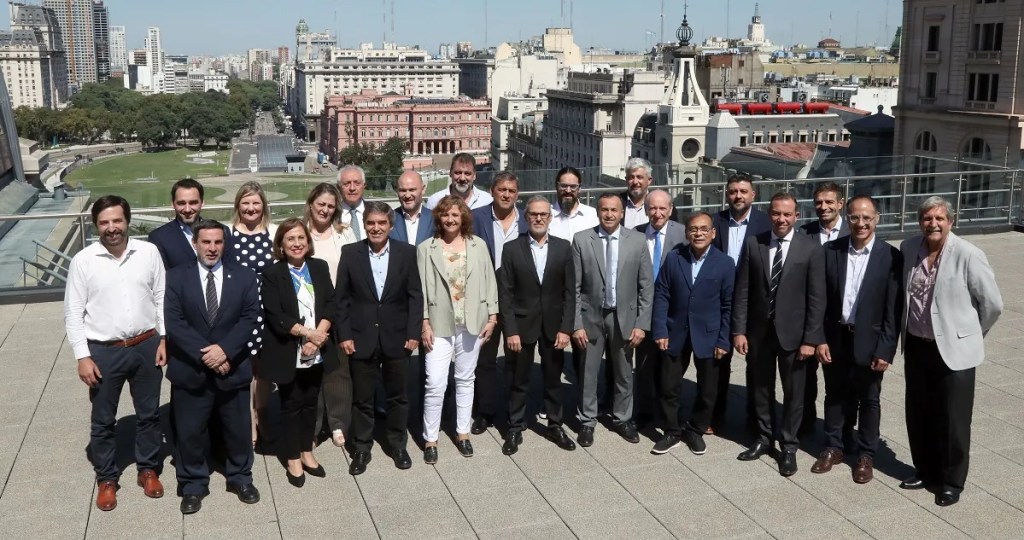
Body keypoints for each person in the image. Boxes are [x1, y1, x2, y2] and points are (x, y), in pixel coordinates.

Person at [64, 196, 167, 511]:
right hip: (104, 351)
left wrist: (165, 338)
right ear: (96, 225)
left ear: (127, 221)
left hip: (147, 344)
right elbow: (73, 312)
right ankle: (107, 478)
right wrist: (82, 356)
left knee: (149, 414)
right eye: (105, 222)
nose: (112, 228)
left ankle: (147, 469)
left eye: (117, 221)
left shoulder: (148, 252)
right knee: (103, 419)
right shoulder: (83, 261)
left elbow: (161, 296)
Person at [899, 196, 1002, 507]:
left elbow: (992, 305)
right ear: (920, 222)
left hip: (955, 350)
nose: (933, 224)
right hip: (917, 345)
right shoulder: (908, 248)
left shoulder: (968, 254)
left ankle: (951, 481)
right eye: (927, 218)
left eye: (939, 218)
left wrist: (970, 335)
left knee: (954, 419)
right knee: (919, 412)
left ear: (950, 222)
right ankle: (925, 470)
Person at [164, 220, 262, 514]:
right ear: (195, 244)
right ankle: (193, 484)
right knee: (190, 432)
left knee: (237, 430)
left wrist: (225, 351)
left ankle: (240, 477)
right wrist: (207, 355)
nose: (212, 248)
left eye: (218, 242)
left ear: (225, 244)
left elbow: (249, 317)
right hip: (191, 369)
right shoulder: (176, 276)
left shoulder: (243, 276)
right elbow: (174, 322)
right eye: (206, 242)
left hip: (232, 367)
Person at [732, 192, 825, 477]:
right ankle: (764, 437)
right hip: (759, 333)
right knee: (760, 387)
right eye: (776, 213)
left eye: (787, 214)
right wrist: (739, 330)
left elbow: (817, 298)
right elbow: (743, 290)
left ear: (796, 216)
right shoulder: (754, 243)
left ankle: (789, 446)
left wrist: (811, 339)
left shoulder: (810, 248)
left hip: (794, 336)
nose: (781, 219)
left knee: (794, 392)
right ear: (769, 214)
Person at [812, 195, 903, 484]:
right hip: (836, 337)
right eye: (854, 217)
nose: (860, 223)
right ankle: (834, 446)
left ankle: (866, 454)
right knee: (834, 394)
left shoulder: (891, 256)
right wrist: (819, 338)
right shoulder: (831, 250)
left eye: (867, 218)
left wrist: (886, 349)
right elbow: (820, 300)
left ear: (877, 219)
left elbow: (893, 309)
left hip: (871, 341)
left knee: (869, 399)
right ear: (847, 218)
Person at [336, 201, 423, 475]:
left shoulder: (406, 252)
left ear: (390, 225)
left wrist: (413, 332)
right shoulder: (351, 253)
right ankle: (362, 447)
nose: (376, 228)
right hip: (361, 337)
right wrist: (345, 334)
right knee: (362, 398)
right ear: (365, 224)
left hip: (397, 337)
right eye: (371, 223)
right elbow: (342, 299)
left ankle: (397, 444)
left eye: (381, 223)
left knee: (398, 396)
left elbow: (415, 295)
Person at [418, 195, 498, 463]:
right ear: (438, 218)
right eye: (445, 214)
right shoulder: (426, 248)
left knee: (465, 379)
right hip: (438, 324)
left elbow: (489, 281)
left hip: (472, 322)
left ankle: (463, 433)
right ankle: (430, 438)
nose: (450, 219)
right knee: (435, 383)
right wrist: (424, 323)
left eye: (455, 214)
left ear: (463, 217)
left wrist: (493, 317)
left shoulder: (478, 245)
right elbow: (421, 289)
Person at [260, 219, 337, 487]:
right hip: (289, 349)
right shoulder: (272, 273)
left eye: (301, 238)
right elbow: (275, 315)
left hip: (317, 348)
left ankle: (307, 451)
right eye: (290, 239)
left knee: (310, 402)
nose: (297, 243)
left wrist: (318, 337)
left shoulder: (319, 267)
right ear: (281, 244)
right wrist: (307, 334)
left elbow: (331, 303)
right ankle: (292, 456)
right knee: (291, 405)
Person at [572, 193, 653, 447]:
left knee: (624, 372)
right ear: (598, 212)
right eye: (604, 209)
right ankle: (587, 421)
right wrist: (576, 324)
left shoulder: (637, 240)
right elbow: (573, 287)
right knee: (588, 372)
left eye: (614, 210)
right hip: (591, 317)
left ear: (622, 213)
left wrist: (641, 324)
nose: (609, 214)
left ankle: (622, 418)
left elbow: (646, 286)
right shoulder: (582, 239)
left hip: (625, 317)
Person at [651, 211, 734, 456]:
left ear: (713, 233)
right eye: (693, 229)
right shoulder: (674, 258)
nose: (698, 233)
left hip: (709, 335)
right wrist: (660, 329)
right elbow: (662, 294)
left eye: (704, 229)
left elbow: (728, 304)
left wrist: (724, 339)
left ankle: (696, 429)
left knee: (708, 390)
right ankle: (672, 431)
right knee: (669, 386)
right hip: (675, 332)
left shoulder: (725, 263)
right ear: (687, 233)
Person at [498, 196, 577, 455]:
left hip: (554, 327)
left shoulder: (563, 248)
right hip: (522, 326)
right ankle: (515, 426)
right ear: (526, 217)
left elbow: (570, 292)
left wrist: (566, 328)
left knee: (553, 379)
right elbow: (505, 294)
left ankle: (555, 425)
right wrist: (510, 330)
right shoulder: (512, 249)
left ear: (550, 218)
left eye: (543, 214)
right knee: (518, 380)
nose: (539, 218)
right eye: (533, 214)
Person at [710, 174, 771, 433]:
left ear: (753, 195)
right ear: (727, 194)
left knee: (756, 365)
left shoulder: (766, 223)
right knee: (718, 362)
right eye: (733, 191)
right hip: (721, 303)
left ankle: (754, 421)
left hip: (754, 304)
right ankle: (715, 416)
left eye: (743, 191)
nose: (738, 196)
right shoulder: (715, 221)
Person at [469, 171, 527, 434]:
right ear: (492, 191)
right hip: (485, 300)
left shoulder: (526, 219)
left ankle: (514, 412)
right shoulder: (476, 217)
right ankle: (485, 411)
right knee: (485, 359)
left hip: (517, 301)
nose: (506, 195)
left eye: (511, 191)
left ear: (517, 194)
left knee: (516, 359)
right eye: (502, 189)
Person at [301, 183, 357, 448]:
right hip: (307, 313)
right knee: (310, 371)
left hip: (339, 311)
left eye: (331, 206)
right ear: (311, 203)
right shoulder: (299, 232)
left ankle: (337, 423)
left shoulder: (344, 233)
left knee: (338, 370)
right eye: (321, 204)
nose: (325, 210)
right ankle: (311, 425)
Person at [632, 189, 688, 427]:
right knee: (644, 364)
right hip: (643, 309)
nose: (657, 213)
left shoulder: (683, 235)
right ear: (646, 210)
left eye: (662, 208)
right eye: (652, 208)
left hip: (673, 311)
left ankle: (669, 413)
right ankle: (644, 411)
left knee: (670, 367)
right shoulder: (635, 234)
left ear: (671, 209)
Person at [799, 181, 850, 435]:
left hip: (839, 320)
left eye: (829, 202)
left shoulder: (853, 232)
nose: (824, 206)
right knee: (805, 378)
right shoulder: (804, 233)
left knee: (838, 381)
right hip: (808, 318)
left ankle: (840, 432)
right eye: (819, 202)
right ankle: (805, 423)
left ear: (841, 203)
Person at [229, 181, 277, 447]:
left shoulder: (272, 232)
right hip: (240, 311)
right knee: (245, 367)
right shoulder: (228, 235)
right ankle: (248, 417)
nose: (250, 208)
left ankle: (263, 413)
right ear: (238, 205)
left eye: (256, 203)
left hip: (268, 309)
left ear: (263, 206)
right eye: (245, 202)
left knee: (264, 368)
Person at [148, 178, 232, 270]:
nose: (187, 209)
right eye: (181, 203)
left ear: (202, 202)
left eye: (193, 203)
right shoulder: (159, 238)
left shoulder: (223, 231)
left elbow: (228, 267)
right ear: (172, 204)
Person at [619, 157, 678, 228]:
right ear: (626, 180)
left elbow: (673, 229)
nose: (635, 182)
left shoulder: (665, 202)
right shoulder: (617, 202)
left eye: (639, 177)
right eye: (631, 177)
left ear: (649, 180)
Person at [424, 152, 493, 210]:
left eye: (467, 173)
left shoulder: (487, 201)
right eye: (458, 173)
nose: (462, 178)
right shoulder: (435, 201)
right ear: (450, 173)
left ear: (474, 176)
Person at [390, 170, 435, 245]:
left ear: (423, 189)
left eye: (412, 190)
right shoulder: (389, 219)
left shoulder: (435, 219)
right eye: (403, 190)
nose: (407, 195)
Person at [337, 164, 368, 240]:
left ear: (364, 186)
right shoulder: (332, 215)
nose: (352, 188)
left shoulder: (376, 212)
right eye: (347, 184)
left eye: (357, 183)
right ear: (338, 187)